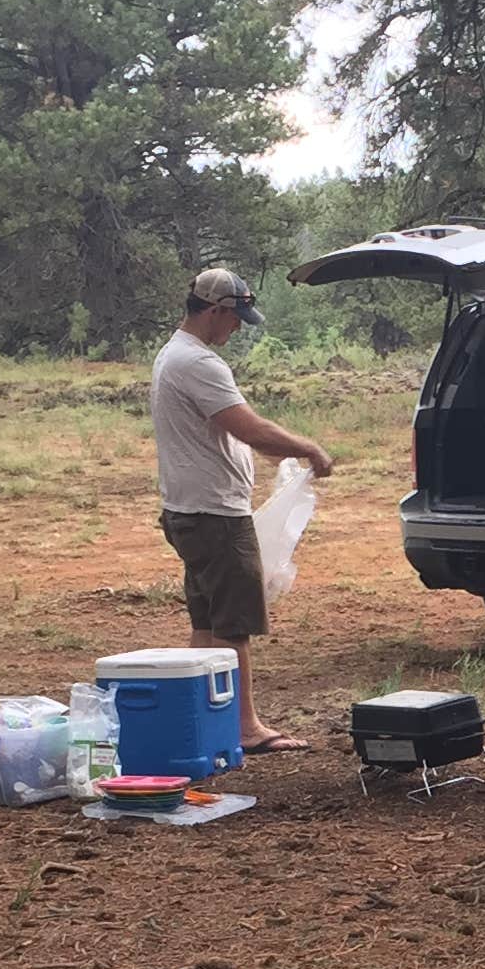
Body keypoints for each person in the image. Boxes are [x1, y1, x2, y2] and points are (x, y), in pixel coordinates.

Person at [152, 265, 335, 754]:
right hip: (213, 515)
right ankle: (245, 727)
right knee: (234, 623)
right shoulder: (198, 363)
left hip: (190, 509)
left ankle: (205, 716)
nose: (237, 329)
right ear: (215, 311)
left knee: (207, 621)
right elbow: (249, 428)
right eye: (235, 319)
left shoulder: (175, 355)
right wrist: (308, 448)